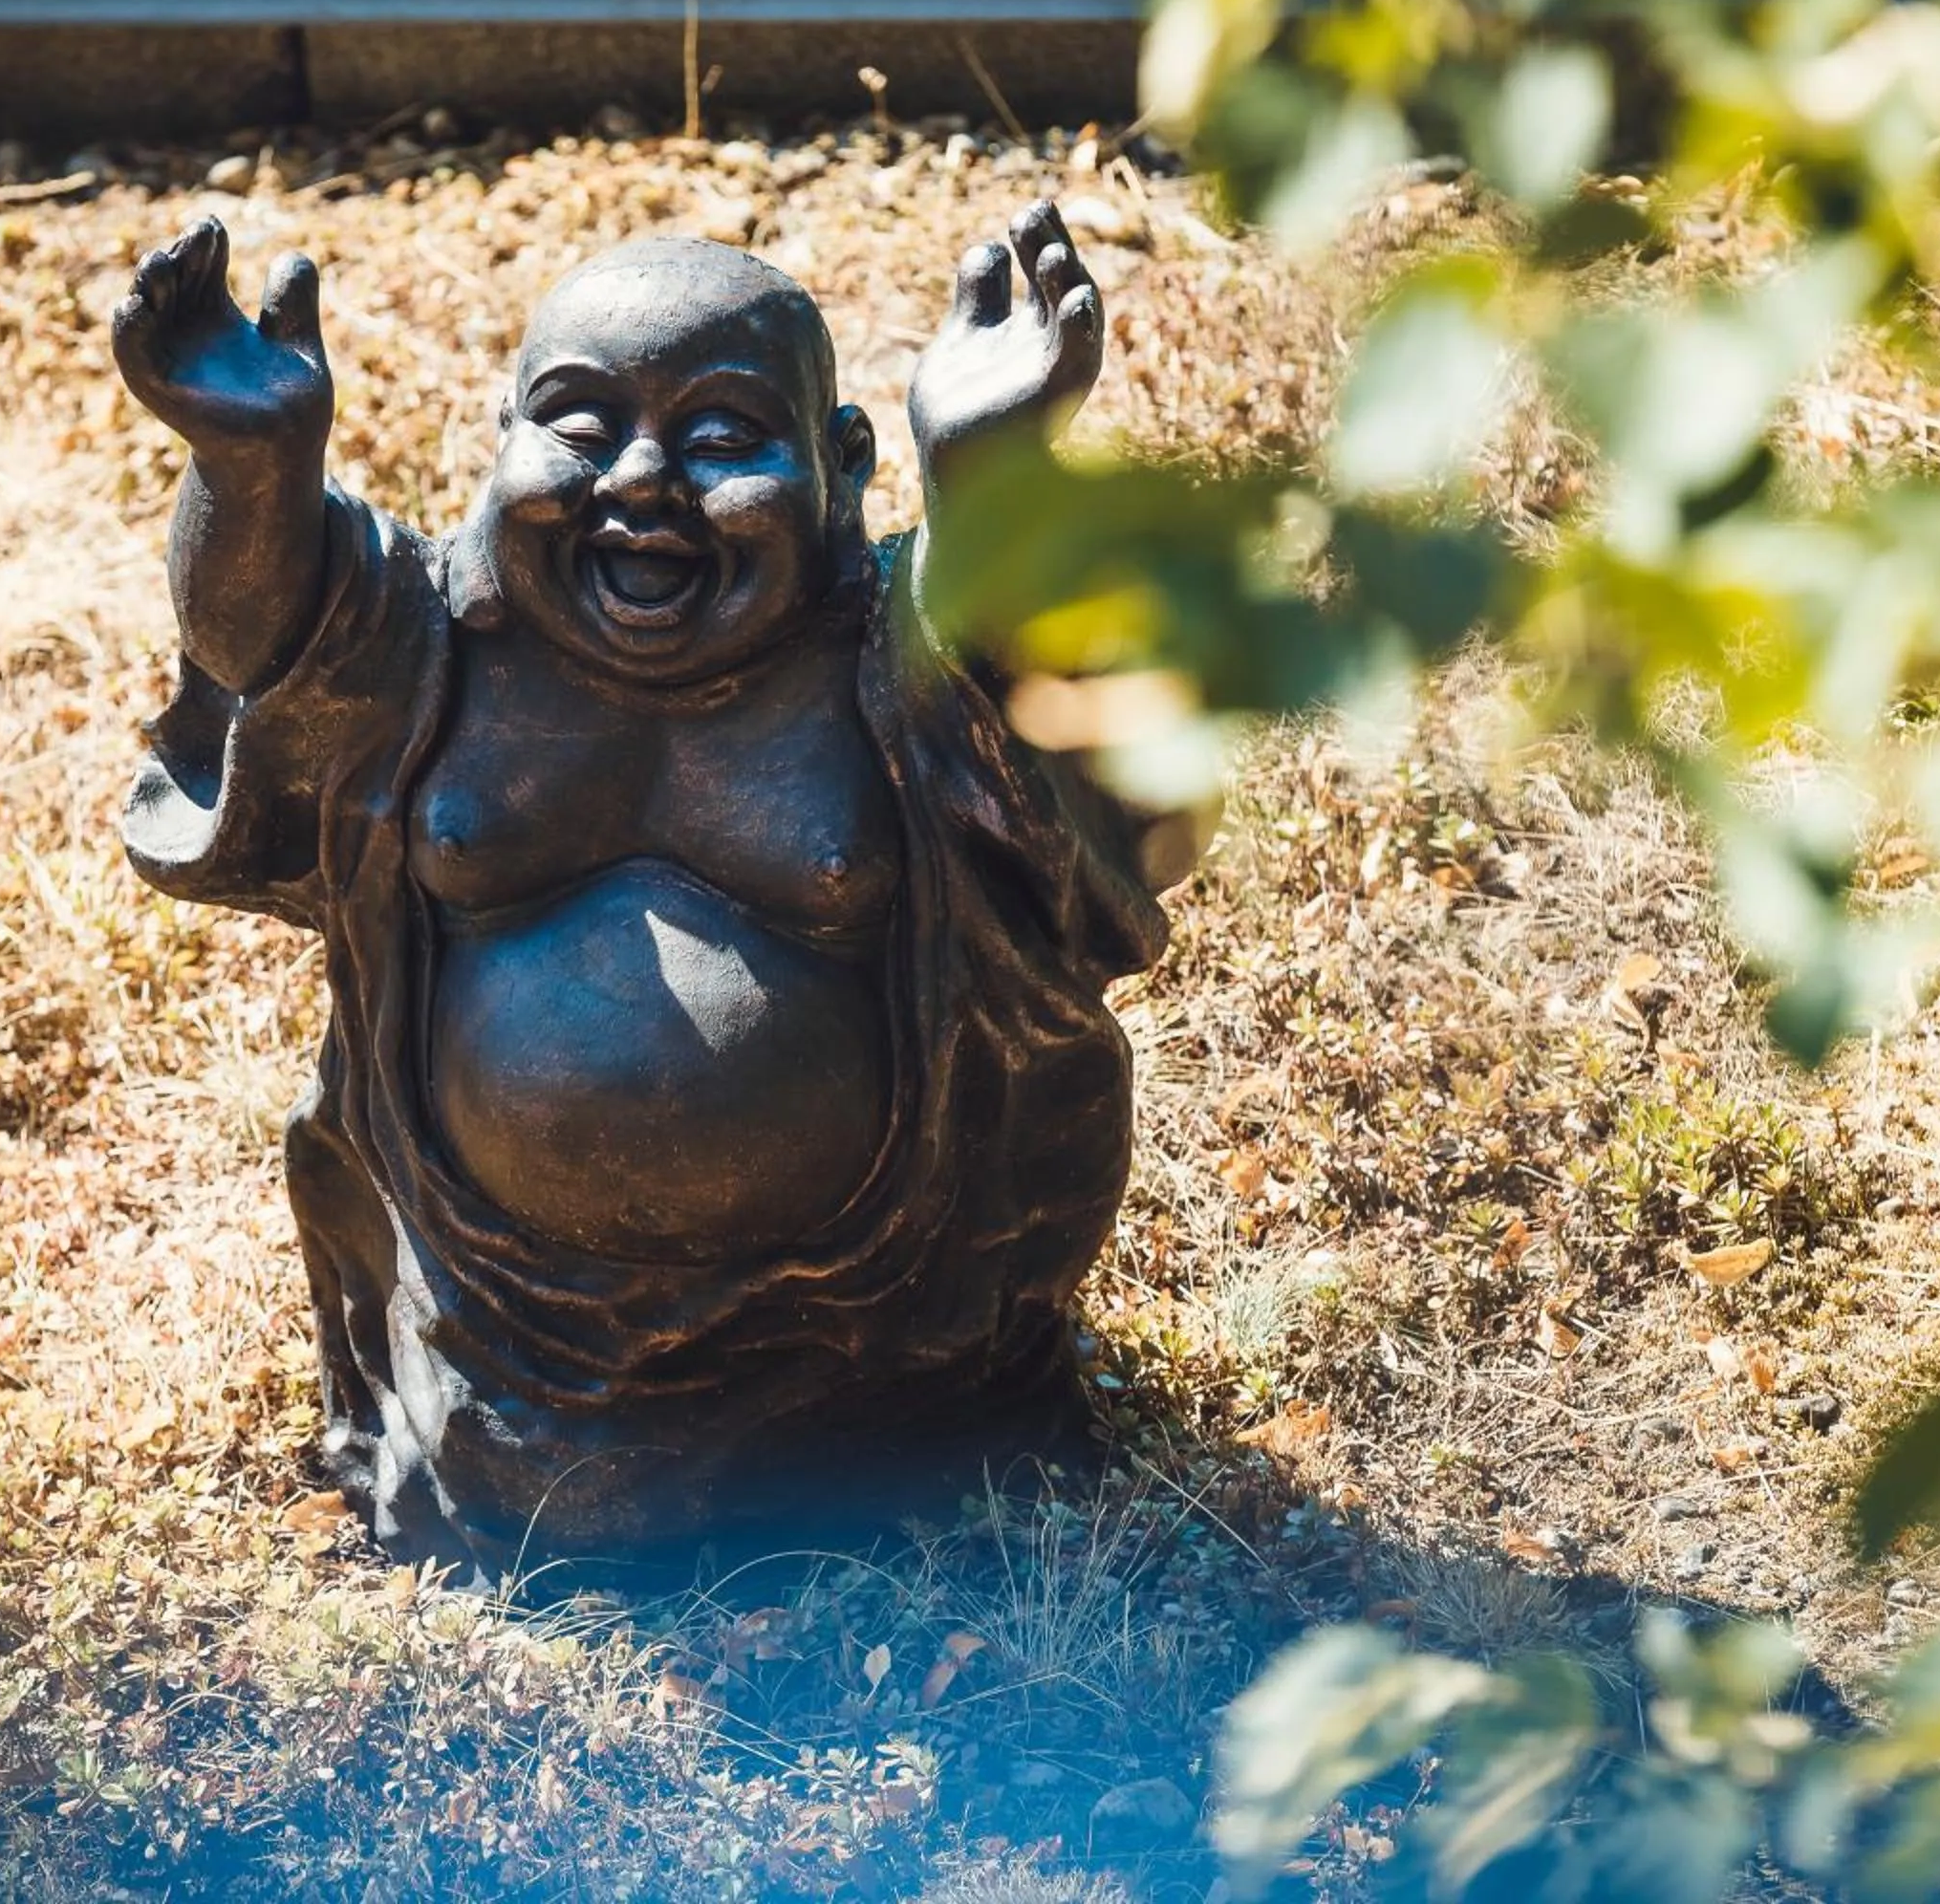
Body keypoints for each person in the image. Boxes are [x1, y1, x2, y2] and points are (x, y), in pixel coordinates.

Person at [111, 207, 1179, 1574]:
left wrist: (991, 485)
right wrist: (248, 468)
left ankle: (886, 1447)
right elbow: (267, 644)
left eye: (729, 435)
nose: (644, 479)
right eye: (576, 422)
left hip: (887, 1295)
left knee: (905, 1485)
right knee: (555, 1504)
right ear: (497, 445)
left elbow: (1040, 706)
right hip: (504, 1312)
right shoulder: (437, 639)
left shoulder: (885, 647)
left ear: (844, 468)